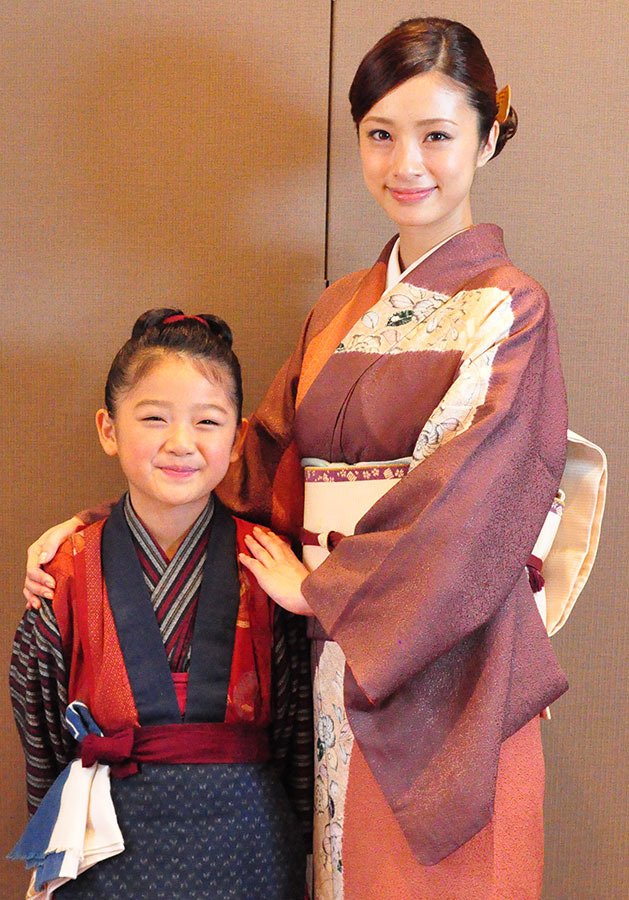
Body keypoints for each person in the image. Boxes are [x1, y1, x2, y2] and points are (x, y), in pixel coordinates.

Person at [22, 17, 573, 900]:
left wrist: (323, 590)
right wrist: (91, 531)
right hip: (334, 652)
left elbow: (473, 502)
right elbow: (249, 462)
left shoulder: (510, 308)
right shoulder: (339, 308)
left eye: (436, 135)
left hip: (449, 659)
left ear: (486, 137)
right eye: (380, 135)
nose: (407, 164)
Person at [10, 310, 307, 899]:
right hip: (104, 848)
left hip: (249, 848)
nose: (181, 444)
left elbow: (300, 730)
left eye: (207, 421)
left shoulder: (270, 566)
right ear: (109, 429)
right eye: (153, 418)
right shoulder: (65, 571)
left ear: (238, 437)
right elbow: (38, 719)